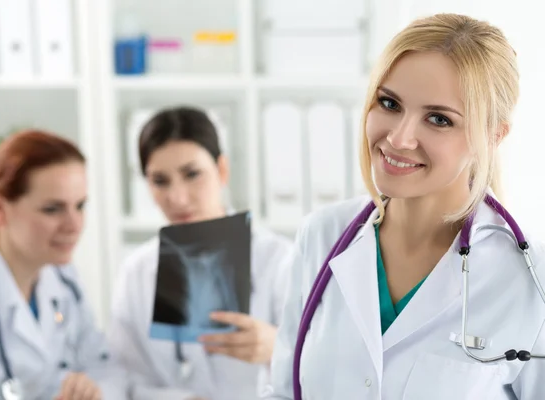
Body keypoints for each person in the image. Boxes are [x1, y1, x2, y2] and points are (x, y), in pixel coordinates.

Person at [264, 13, 545, 400]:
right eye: (389, 103)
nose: (398, 138)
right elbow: (281, 391)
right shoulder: (322, 234)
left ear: (493, 135)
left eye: (438, 119)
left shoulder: (531, 279)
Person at [108, 106, 294, 400]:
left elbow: (325, 368)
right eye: (160, 181)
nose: (177, 198)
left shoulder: (280, 259)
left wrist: (278, 348)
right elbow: (125, 379)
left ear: (222, 170)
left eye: (192, 174)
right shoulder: (137, 271)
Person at [0, 130, 127, 400]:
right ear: (0, 210)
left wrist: (93, 390)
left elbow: (106, 368)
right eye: (52, 209)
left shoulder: (63, 278)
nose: (74, 225)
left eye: (80, 206)